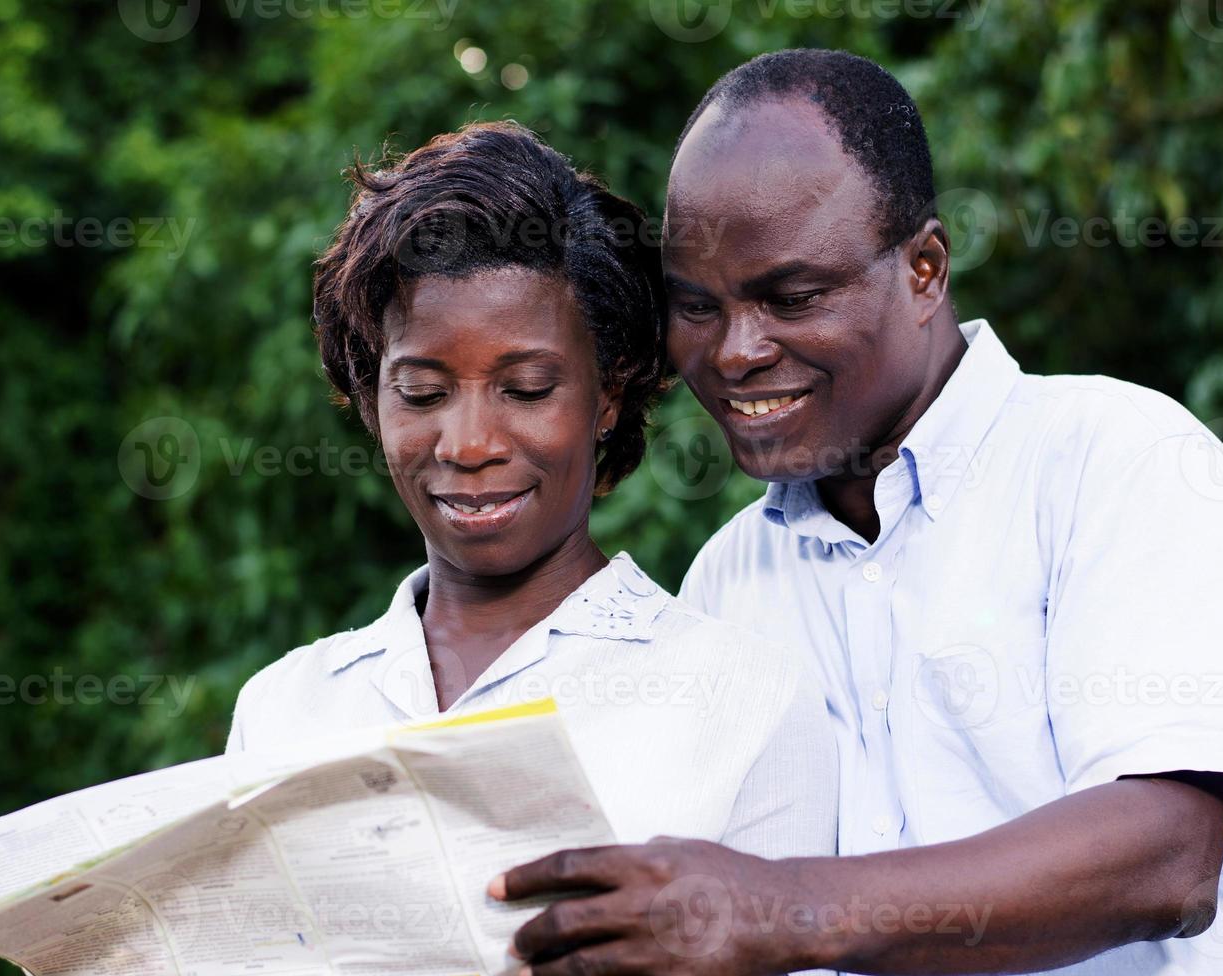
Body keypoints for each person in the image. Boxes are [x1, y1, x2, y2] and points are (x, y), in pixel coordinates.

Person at [492, 50, 1223, 976]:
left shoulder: (1115, 460)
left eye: (792, 298)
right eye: (696, 307)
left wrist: (783, 909)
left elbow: (1166, 858)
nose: (736, 352)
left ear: (925, 269)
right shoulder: (726, 581)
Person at [226, 122, 837, 871]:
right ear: (369, 397)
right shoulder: (286, 708)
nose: (469, 443)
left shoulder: (747, 701)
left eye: (526, 389)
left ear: (608, 393)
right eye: (421, 393)